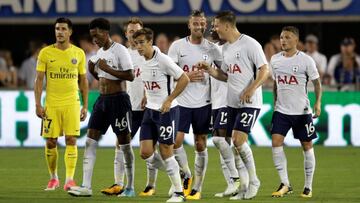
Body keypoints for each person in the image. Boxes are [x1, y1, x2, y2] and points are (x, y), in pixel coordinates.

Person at [197, 11, 269, 200]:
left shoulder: (250, 44)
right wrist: (210, 70)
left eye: (216, 25)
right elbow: (226, 76)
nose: (214, 28)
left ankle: (254, 181)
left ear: (227, 26)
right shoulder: (227, 48)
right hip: (232, 103)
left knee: (238, 141)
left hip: (250, 102)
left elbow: (265, 69)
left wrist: (251, 89)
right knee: (230, 144)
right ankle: (243, 186)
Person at [167, 10, 236, 200]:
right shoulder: (177, 46)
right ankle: (186, 174)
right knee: (175, 143)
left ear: (206, 25)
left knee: (200, 144)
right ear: (189, 25)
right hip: (181, 102)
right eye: (195, 23)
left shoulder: (212, 49)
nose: (199, 27)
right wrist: (186, 77)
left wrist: (211, 71)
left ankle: (197, 187)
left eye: (202, 23)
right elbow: (169, 73)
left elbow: (225, 74)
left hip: (204, 104)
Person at [67, 18, 135, 197]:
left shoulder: (120, 50)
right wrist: (93, 70)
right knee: (90, 141)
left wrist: (106, 68)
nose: (94, 40)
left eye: (96, 35)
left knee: (124, 145)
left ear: (106, 32)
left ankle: (130, 187)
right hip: (102, 101)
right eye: (92, 37)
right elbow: (101, 76)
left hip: (119, 101)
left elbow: (130, 75)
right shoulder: (99, 52)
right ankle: (86, 187)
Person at [133, 27, 189, 203]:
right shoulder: (141, 60)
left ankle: (179, 193)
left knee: (166, 150)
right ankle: (181, 172)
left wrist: (169, 100)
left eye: (142, 43)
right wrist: (144, 96)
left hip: (167, 111)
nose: (139, 47)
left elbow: (184, 78)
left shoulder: (163, 60)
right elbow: (150, 82)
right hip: (150, 110)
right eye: (136, 43)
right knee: (145, 153)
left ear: (150, 42)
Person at [34, 17, 88, 191]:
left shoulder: (78, 53)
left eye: (63, 29)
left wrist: (85, 105)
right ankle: (53, 178)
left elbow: (83, 80)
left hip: (72, 102)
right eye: (57, 29)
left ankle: (69, 179)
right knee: (51, 141)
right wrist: (37, 104)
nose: (60, 32)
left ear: (70, 32)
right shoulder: (45, 53)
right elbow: (39, 80)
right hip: (52, 103)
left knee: (71, 139)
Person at [269, 26, 322, 198]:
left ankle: (308, 186)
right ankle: (285, 183)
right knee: (276, 143)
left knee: (307, 146)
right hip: (281, 111)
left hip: (302, 111)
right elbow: (276, 83)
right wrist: (275, 102)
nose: (283, 40)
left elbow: (317, 83)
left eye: (287, 37)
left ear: (296, 40)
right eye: (282, 37)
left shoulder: (306, 60)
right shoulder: (275, 59)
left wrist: (318, 102)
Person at [208, 19, 249, 198]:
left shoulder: (227, 50)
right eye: (212, 27)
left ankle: (238, 179)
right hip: (215, 102)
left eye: (215, 27)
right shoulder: (214, 49)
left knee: (221, 140)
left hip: (227, 100)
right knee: (224, 143)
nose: (213, 30)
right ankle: (234, 183)